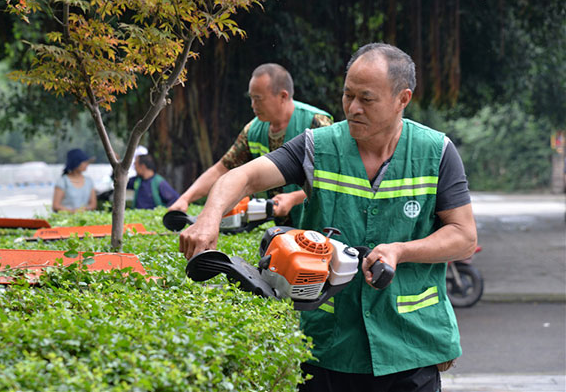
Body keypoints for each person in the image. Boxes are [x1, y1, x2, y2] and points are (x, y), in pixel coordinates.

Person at [179, 43, 477, 391]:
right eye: (347, 95)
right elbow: (240, 176)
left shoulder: (436, 152)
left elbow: (464, 236)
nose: (352, 108)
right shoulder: (316, 147)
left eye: (367, 99)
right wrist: (208, 218)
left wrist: (400, 251)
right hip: (327, 348)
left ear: (402, 98)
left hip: (411, 347)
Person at [168, 63, 333, 226]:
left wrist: (294, 198)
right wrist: (185, 199)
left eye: (258, 99)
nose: (253, 105)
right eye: (252, 98)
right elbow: (221, 169)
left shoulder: (317, 123)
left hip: (319, 226)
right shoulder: (253, 130)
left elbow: (335, 180)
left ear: (283, 96)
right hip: (284, 230)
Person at [52, 148, 97, 212]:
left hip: (84, 219)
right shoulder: (63, 181)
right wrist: (71, 211)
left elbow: (93, 204)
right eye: (84, 162)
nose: (87, 164)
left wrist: (84, 209)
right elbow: (56, 206)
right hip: (66, 219)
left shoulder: (89, 181)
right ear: (76, 163)